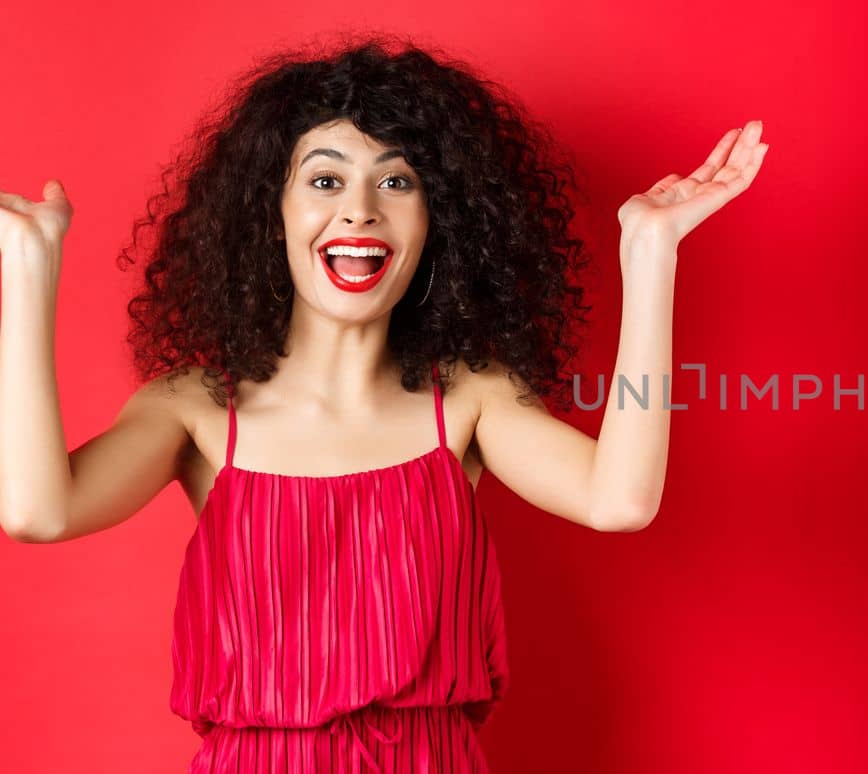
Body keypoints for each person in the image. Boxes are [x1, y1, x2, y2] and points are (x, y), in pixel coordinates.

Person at [0, 35, 768, 771]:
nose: (361, 210)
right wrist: (30, 272)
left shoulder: (469, 399)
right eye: (326, 180)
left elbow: (620, 499)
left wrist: (650, 254)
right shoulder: (197, 409)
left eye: (397, 182)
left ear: (439, 224)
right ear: (272, 213)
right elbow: (38, 512)